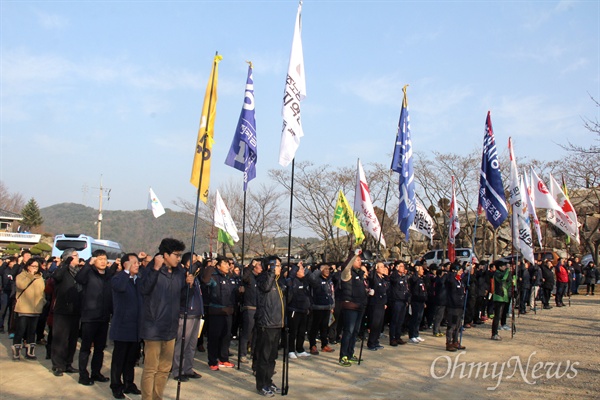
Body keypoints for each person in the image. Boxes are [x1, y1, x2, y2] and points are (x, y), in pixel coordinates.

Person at [139, 238, 192, 400]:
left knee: (164, 368)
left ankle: (157, 397)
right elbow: (144, 289)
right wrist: (155, 269)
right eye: (176, 255)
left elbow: (182, 299)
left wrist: (188, 285)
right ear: (165, 255)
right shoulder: (151, 270)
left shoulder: (179, 273)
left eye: (180, 255)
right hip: (153, 327)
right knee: (150, 368)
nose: (178, 258)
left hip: (171, 327)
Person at [75, 249, 118, 385]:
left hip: (104, 317)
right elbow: (79, 279)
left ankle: (96, 372)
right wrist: (88, 264)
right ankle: (83, 375)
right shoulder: (89, 273)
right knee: (86, 348)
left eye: (105, 259)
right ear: (94, 260)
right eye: (100, 259)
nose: (103, 261)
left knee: (100, 348)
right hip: (89, 317)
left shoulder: (108, 276)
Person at [110, 253, 143, 399]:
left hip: (136, 327)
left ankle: (129, 383)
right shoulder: (118, 278)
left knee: (131, 358)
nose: (137, 265)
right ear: (125, 264)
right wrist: (126, 273)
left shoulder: (138, 280)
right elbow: (120, 288)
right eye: (134, 262)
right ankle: (116, 385)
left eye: (138, 263)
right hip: (122, 326)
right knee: (119, 359)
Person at [254, 255, 285, 397]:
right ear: (270, 266)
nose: (280, 268)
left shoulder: (278, 281)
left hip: (277, 323)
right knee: (264, 357)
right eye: (277, 265)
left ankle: (268, 380)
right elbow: (265, 287)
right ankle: (261, 385)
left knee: (272, 356)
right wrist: (271, 273)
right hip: (266, 324)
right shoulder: (263, 278)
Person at [201, 256, 237, 371]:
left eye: (228, 264)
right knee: (214, 338)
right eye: (225, 264)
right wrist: (211, 266)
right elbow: (205, 280)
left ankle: (223, 359)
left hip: (228, 312)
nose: (228, 266)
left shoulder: (230, 277)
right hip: (216, 312)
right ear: (218, 266)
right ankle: (212, 360)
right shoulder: (214, 277)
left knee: (226, 337)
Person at [172, 252, 203, 381]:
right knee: (182, 343)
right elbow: (181, 295)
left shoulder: (195, 277)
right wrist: (187, 284)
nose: (196, 263)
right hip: (186, 313)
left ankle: (188, 369)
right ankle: (177, 370)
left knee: (191, 344)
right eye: (194, 261)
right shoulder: (181, 275)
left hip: (196, 313)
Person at [51, 248, 82, 376]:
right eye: (75, 255)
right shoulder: (63, 271)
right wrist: (65, 263)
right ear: (69, 258)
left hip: (75, 310)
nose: (78, 257)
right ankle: (58, 365)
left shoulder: (78, 272)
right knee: (60, 339)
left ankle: (68, 363)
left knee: (72, 339)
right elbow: (56, 276)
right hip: (63, 310)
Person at [12, 257, 46, 360]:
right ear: (28, 266)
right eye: (33, 266)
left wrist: (43, 301)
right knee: (20, 330)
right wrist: (30, 275)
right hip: (23, 309)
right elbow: (21, 285)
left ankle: (30, 352)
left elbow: (42, 291)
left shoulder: (40, 277)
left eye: (37, 266)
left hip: (36, 309)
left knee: (32, 331)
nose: (35, 268)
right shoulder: (21, 276)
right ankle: (16, 352)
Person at [338, 251, 368, 367]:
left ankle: (350, 353)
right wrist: (354, 255)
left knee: (355, 332)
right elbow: (346, 267)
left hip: (359, 306)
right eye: (357, 260)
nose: (360, 261)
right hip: (350, 306)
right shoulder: (347, 273)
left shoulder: (360, 275)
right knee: (348, 331)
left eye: (360, 259)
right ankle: (343, 355)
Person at [307, 263, 335, 354]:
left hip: (327, 306)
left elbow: (332, 293)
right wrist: (318, 270)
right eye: (325, 269)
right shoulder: (316, 280)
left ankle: (324, 345)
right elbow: (311, 278)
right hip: (317, 306)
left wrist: (332, 305)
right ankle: (313, 345)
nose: (327, 271)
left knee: (324, 327)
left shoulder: (329, 280)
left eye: (328, 269)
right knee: (314, 327)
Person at [239, 258, 262, 364]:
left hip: (259, 308)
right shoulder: (250, 278)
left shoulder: (260, 278)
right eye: (259, 266)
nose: (261, 268)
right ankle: (242, 354)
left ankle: (254, 352)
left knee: (257, 334)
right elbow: (244, 277)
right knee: (247, 332)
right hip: (249, 308)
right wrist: (251, 266)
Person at [366, 261, 389, 351]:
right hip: (375, 304)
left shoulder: (382, 279)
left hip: (381, 304)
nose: (383, 269)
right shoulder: (374, 278)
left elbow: (386, 289)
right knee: (374, 324)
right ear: (377, 268)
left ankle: (376, 341)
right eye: (381, 267)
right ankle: (371, 342)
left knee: (379, 324)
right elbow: (371, 278)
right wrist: (373, 268)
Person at [388, 262, 410, 346]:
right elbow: (394, 280)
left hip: (403, 301)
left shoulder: (403, 277)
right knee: (395, 320)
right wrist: (397, 272)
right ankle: (392, 338)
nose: (403, 268)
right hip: (396, 300)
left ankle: (398, 336)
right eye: (401, 266)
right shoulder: (394, 276)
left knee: (400, 320)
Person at [445, 263, 466, 351]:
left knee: (458, 325)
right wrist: (452, 273)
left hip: (459, 305)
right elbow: (448, 282)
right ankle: (449, 343)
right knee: (452, 325)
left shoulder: (459, 280)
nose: (461, 271)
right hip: (452, 306)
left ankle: (455, 341)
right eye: (459, 270)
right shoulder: (451, 279)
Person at [408, 264, 427, 344]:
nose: (423, 271)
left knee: (419, 319)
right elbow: (413, 281)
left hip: (421, 301)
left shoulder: (421, 279)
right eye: (421, 269)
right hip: (415, 301)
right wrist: (416, 271)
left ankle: (416, 334)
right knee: (414, 319)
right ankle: (412, 335)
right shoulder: (414, 278)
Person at [491, 261, 510, 341]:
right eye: (504, 266)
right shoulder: (497, 273)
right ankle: (494, 333)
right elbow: (503, 278)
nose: (505, 267)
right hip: (498, 296)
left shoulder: (503, 272)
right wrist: (508, 270)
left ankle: (499, 328)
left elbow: (506, 283)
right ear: (500, 267)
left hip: (504, 296)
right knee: (497, 316)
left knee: (502, 314)